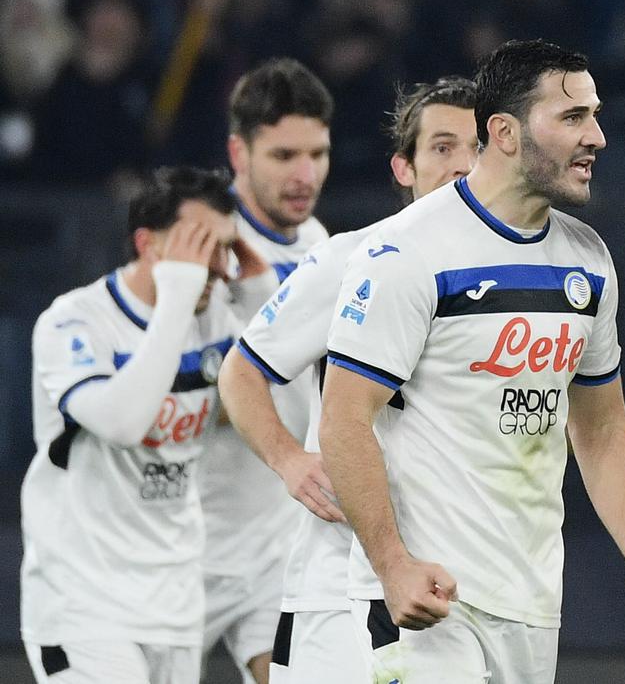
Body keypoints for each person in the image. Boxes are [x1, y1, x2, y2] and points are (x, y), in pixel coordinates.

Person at [317, 39, 625, 683]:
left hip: (532, 602)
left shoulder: (588, 259)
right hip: (427, 599)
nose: (597, 136)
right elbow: (344, 420)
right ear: (505, 133)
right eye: (572, 117)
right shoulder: (408, 252)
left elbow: (601, 429)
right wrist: (392, 565)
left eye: (595, 116)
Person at [216, 75, 480, 684]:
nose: (463, 165)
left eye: (477, 148)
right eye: (442, 147)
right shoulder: (352, 258)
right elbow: (241, 372)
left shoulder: (524, 279)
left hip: (463, 586)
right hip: (338, 591)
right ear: (404, 168)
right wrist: (288, 459)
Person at [20, 166, 274, 684]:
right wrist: (176, 299)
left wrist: (260, 301)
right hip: (82, 603)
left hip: (176, 606)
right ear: (147, 244)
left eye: (225, 246)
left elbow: (284, 411)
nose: (217, 265)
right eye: (200, 244)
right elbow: (124, 421)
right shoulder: (75, 322)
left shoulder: (217, 321)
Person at [199, 57, 333, 684]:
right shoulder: (196, 241)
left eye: (317, 154)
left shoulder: (320, 245)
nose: (305, 175)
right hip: (179, 549)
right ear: (238, 152)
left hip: (276, 548)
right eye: (283, 155)